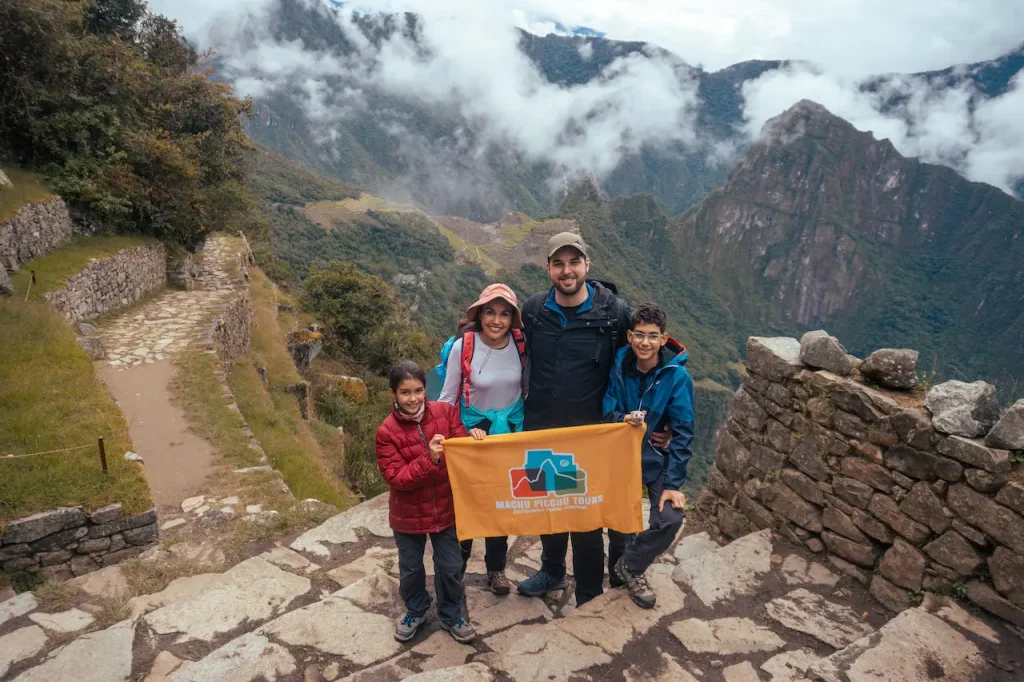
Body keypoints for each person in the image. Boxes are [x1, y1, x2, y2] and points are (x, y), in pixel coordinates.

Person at [515, 232, 633, 607]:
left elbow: (634, 367)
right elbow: (500, 345)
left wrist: (655, 423)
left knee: (584, 517)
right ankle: (551, 570)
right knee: (549, 507)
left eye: (574, 262)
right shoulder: (533, 310)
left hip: (588, 435)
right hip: (541, 428)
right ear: (549, 268)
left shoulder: (614, 314)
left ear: (587, 265)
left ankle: (588, 590)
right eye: (558, 263)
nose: (567, 271)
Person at [375, 361, 476, 644]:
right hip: (408, 515)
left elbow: (462, 449)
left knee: (451, 565)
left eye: (418, 390)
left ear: (425, 389)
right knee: (410, 568)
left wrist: (474, 438)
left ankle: (451, 613)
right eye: (405, 392)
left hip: (445, 507)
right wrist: (429, 459)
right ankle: (416, 610)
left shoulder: (445, 412)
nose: (413, 398)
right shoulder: (386, 432)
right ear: (394, 394)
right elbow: (396, 477)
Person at [603, 302, 694, 609]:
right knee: (619, 528)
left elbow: (683, 431)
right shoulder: (617, 368)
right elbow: (605, 411)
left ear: (663, 339)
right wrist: (620, 420)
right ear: (629, 336)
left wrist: (673, 483)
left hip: (656, 459)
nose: (645, 342)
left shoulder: (677, 378)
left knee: (670, 517)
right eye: (639, 335)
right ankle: (622, 573)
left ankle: (630, 566)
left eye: (652, 336)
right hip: (620, 459)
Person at [438, 283, 527, 596]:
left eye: (504, 314)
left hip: (510, 435)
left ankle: (496, 569)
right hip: (472, 434)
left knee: (500, 503)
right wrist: (452, 436)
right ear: (480, 313)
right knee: (468, 504)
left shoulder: (521, 344)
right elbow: (448, 397)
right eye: (490, 312)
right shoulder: (464, 346)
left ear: (513, 319)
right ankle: (457, 569)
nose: (497, 320)